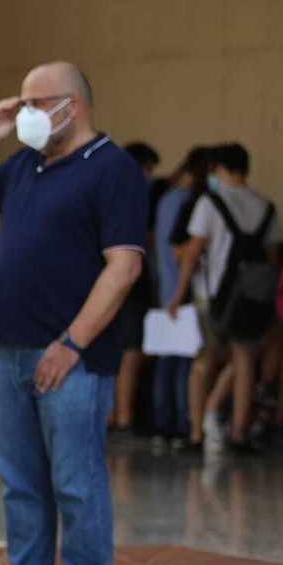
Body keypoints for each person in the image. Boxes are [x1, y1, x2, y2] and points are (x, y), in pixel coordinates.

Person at [0, 62, 147, 565]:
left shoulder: (113, 170)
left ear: (72, 106)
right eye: (22, 103)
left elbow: (123, 267)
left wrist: (71, 344)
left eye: (36, 103)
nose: (25, 112)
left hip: (71, 356)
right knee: (20, 476)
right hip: (11, 346)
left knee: (75, 478)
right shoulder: (26, 163)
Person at [164, 142, 283, 455]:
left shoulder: (209, 203)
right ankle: (239, 434)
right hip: (252, 297)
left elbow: (192, 253)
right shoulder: (266, 206)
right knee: (244, 361)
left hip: (212, 295)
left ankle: (195, 434)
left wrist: (178, 294)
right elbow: (272, 258)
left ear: (219, 169)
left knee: (204, 360)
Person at [150, 147, 208, 450]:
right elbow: (182, 253)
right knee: (183, 361)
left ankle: (163, 421)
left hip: (164, 289)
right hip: (181, 293)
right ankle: (183, 421)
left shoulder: (166, 199)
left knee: (166, 358)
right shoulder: (188, 202)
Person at [110, 141, 160, 437]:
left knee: (115, 351)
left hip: (108, 284)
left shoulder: (109, 192)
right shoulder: (132, 198)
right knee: (129, 351)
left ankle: (112, 415)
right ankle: (123, 417)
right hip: (128, 284)